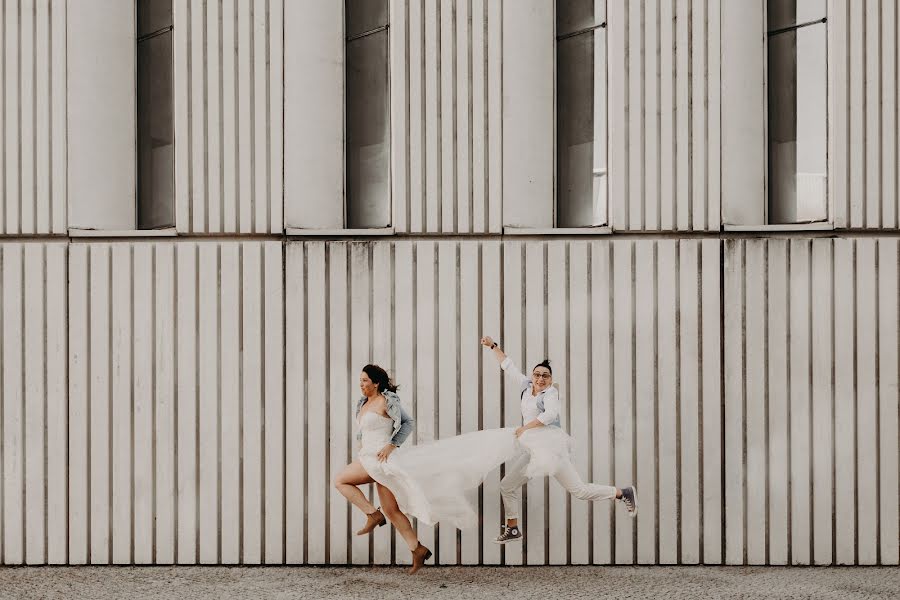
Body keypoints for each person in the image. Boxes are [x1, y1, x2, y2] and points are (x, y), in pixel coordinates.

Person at [334, 363, 517, 574]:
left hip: (379, 458)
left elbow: (407, 423)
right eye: (360, 380)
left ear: (376, 383)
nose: (361, 384)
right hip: (368, 455)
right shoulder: (363, 403)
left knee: (341, 480)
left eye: (365, 380)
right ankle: (417, 549)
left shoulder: (386, 400)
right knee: (392, 511)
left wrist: (392, 445)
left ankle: (372, 515)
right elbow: (364, 432)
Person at [480, 335, 637, 544]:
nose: (540, 379)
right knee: (506, 486)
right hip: (532, 450)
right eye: (537, 375)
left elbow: (550, 415)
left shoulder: (550, 393)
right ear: (532, 376)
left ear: (550, 379)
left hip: (551, 451)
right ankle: (513, 528)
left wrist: (525, 428)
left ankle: (622, 493)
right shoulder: (526, 387)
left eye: (545, 376)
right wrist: (493, 346)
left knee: (579, 491)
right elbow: (508, 366)